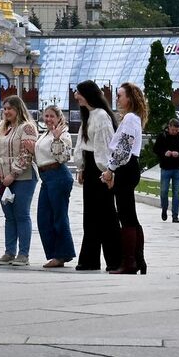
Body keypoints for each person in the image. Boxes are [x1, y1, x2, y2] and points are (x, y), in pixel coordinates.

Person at [101, 81, 149, 274]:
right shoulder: (133, 118)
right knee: (130, 216)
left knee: (126, 216)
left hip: (125, 168)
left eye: (120, 95)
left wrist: (110, 169)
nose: (117, 98)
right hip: (130, 167)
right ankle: (138, 259)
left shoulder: (129, 118)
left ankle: (129, 262)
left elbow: (124, 147)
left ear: (130, 98)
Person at [72, 80, 120, 271]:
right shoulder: (89, 115)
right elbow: (82, 144)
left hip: (100, 169)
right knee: (91, 216)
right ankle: (89, 259)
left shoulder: (101, 116)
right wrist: (81, 167)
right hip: (90, 168)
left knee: (106, 215)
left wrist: (107, 171)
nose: (76, 96)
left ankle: (115, 259)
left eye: (79, 93)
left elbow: (104, 145)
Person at [0, 96, 40, 266]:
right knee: (9, 216)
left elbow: (26, 153)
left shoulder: (27, 127)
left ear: (18, 109)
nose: (6, 112)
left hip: (24, 177)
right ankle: (9, 252)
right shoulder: (2, 128)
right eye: (4, 109)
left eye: (9, 109)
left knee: (21, 214)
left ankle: (23, 254)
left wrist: (13, 173)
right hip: (3, 178)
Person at [33, 104, 78, 268]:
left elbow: (62, 157)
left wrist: (57, 138)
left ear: (59, 118)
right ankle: (55, 253)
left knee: (59, 217)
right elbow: (40, 155)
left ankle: (62, 254)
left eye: (52, 116)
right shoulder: (45, 134)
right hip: (46, 177)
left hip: (58, 175)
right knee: (43, 217)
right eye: (46, 116)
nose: (48, 119)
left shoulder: (63, 134)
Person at [154, 118, 179, 223]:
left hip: (177, 168)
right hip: (165, 168)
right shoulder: (162, 136)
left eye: (176, 130)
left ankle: (175, 216)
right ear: (169, 127)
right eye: (172, 130)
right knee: (164, 191)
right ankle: (164, 208)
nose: (174, 132)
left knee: (176, 192)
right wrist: (164, 153)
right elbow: (155, 149)